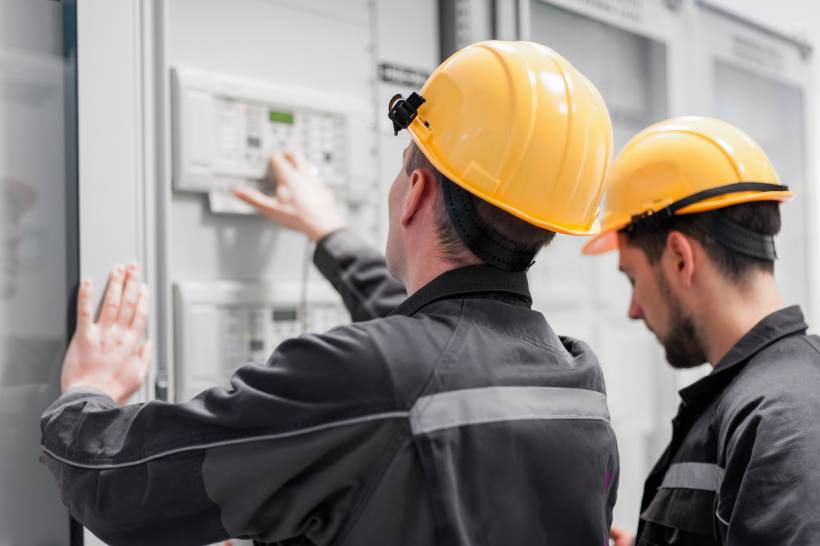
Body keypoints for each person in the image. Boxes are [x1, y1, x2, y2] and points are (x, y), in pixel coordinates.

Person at [41, 41, 619, 545]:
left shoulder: (365, 377)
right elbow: (444, 359)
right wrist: (329, 235)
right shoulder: (578, 382)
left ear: (415, 191)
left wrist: (86, 391)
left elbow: (116, 482)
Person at [583, 117, 820, 545]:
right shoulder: (764, 400)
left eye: (633, 279)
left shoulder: (783, 418)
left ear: (679, 257)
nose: (634, 309)